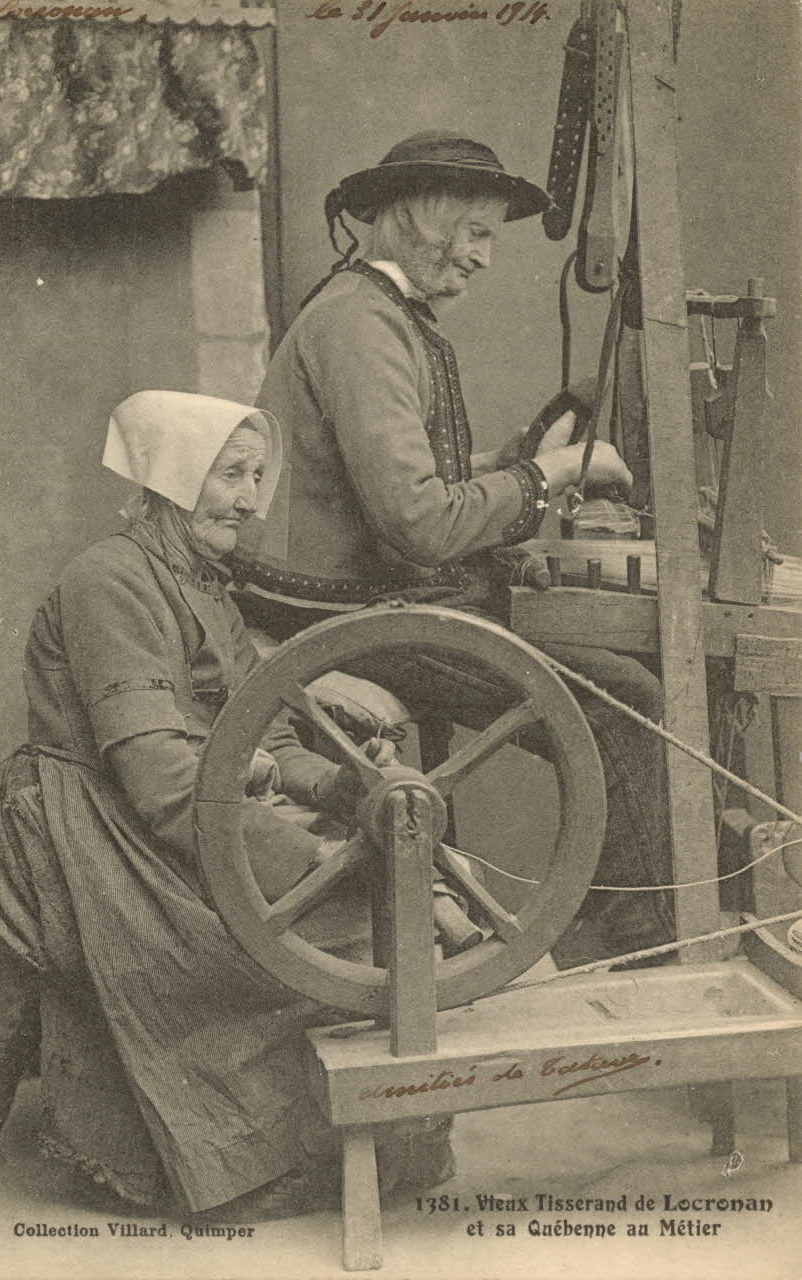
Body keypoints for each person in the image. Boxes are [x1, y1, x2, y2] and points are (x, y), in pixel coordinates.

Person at [0, 390, 450, 1221]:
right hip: (81, 822)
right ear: (173, 476)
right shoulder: (111, 581)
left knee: (346, 927)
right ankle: (230, 1160)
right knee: (240, 956)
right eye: (229, 474)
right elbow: (160, 775)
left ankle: (330, 1140)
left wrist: (340, 788)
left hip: (157, 807)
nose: (247, 498)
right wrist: (322, 865)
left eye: (256, 476)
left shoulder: (203, 588)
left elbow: (262, 734)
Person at [232, 131, 676, 968]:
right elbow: (419, 523)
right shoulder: (361, 325)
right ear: (416, 221)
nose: (481, 259)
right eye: (472, 233)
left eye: (489, 239)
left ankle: (619, 922)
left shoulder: (376, 311)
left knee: (617, 671)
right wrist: (543, 478)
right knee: (622, 700)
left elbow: (399, 481)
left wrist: (515, 460)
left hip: (367, 592)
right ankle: (641, 945)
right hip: (345, 611)